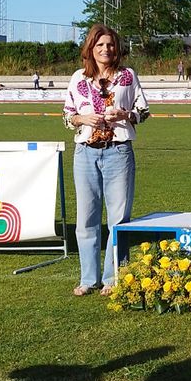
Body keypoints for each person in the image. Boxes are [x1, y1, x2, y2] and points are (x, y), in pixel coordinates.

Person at [63, 24, 150, 297]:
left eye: (110, 45)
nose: (106, 49)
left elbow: (144, 110)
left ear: (117, 48)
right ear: (91, 48)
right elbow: (67, 115)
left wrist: (126, 115)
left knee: (118, 219)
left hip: (119, 151)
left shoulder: (127, 76)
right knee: (86, 219)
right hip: (85, 152)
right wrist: (82, 118)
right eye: (100, 45)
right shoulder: (79, 78)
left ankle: (113, 278)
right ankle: (88, 278)